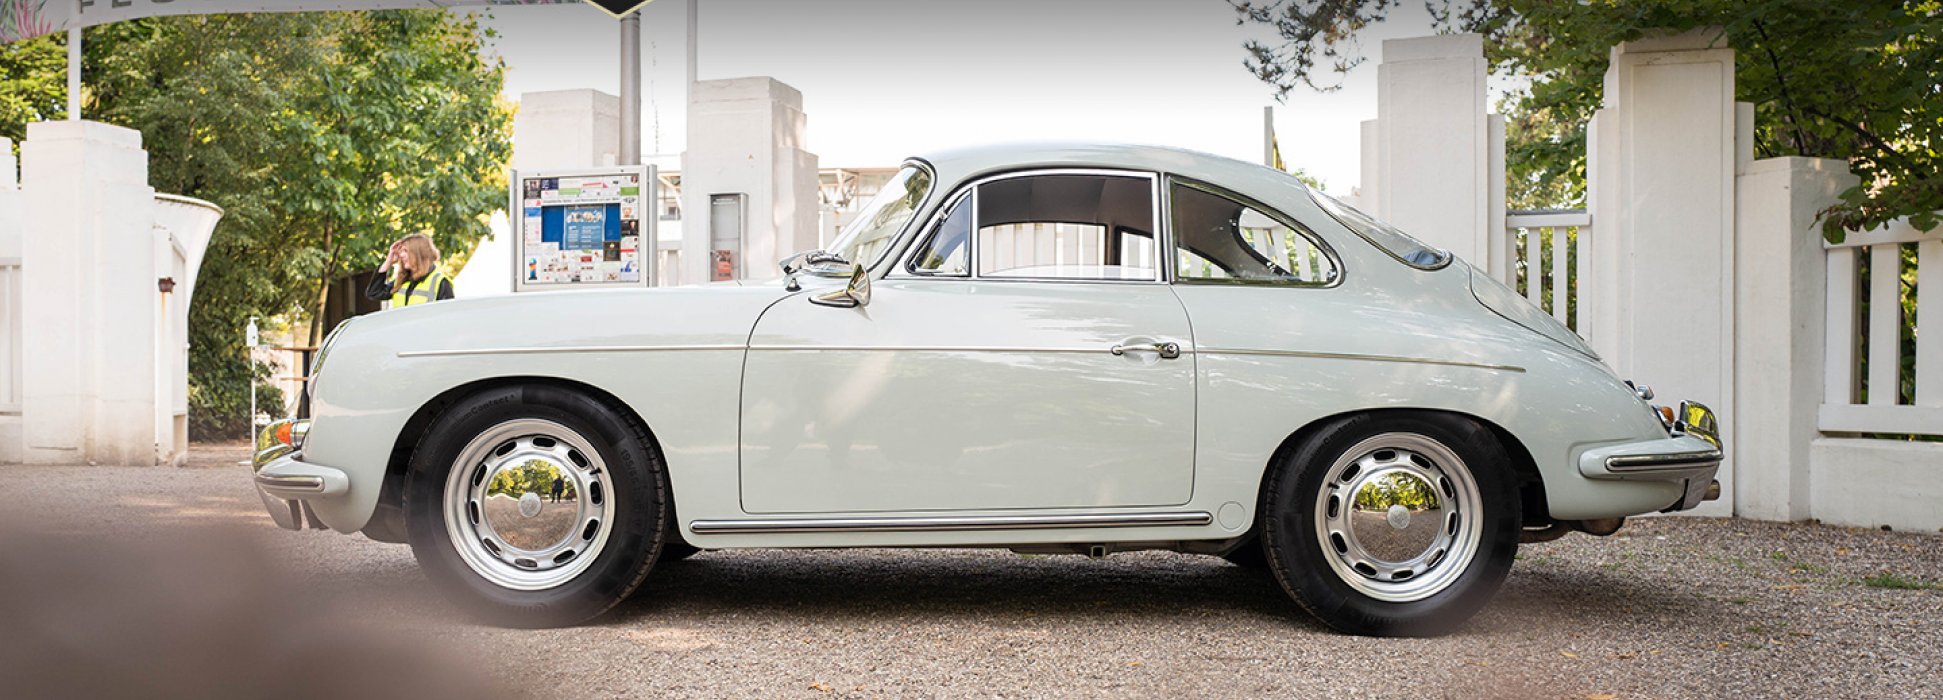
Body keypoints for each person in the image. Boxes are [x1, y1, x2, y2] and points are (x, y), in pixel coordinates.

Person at [366, 233, 454, 307]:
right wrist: (388, 261)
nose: (401, 255)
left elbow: (448, 320)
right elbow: (373, 293)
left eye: (405, 251)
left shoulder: (441, 282)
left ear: (419, 253)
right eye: (401, 251)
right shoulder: (402, 281)